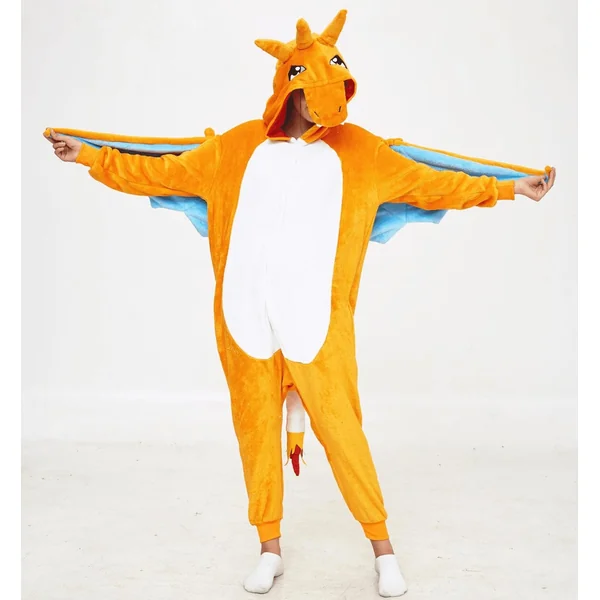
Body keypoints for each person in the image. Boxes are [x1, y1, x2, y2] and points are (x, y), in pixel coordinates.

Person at [44, 10, 555, 597]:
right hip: (243, 319)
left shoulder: (362, 152)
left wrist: (509, 187)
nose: (330, 106)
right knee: (255, 433)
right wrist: (89, 156)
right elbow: (154, 173)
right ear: (289, 88)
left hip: (318, 323)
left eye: (339, 93)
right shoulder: (234, 148)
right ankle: (269, 549)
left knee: (342, 431)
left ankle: (383, 549)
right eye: (317, 93)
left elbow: (437, 183)